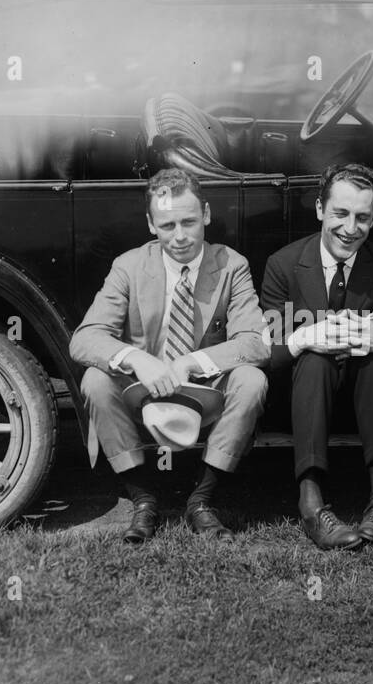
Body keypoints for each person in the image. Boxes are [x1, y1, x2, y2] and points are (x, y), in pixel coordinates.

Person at [70, 168, 269, 542]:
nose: (179, 237)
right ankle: (143, 499)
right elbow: (84, 339)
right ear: (150, 224)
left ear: (207, 215)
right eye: (167, 225)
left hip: (204, 389)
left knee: (252, 379)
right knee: (95, 380)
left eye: (189, 222)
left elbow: (255, 342)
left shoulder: (232, 265)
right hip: (142, 389)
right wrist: (136, 358)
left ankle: (202, 499)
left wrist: (191, 362)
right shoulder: (129, 265)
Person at [260, 163, 373, 551]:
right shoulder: (283, 265)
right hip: (301, 403)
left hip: (366, 402)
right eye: (340, 213)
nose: (350, 228)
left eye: (362, 217)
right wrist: (307, 337)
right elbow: (269, 352)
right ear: (321, 209)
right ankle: (311, 504)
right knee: (313, 357)